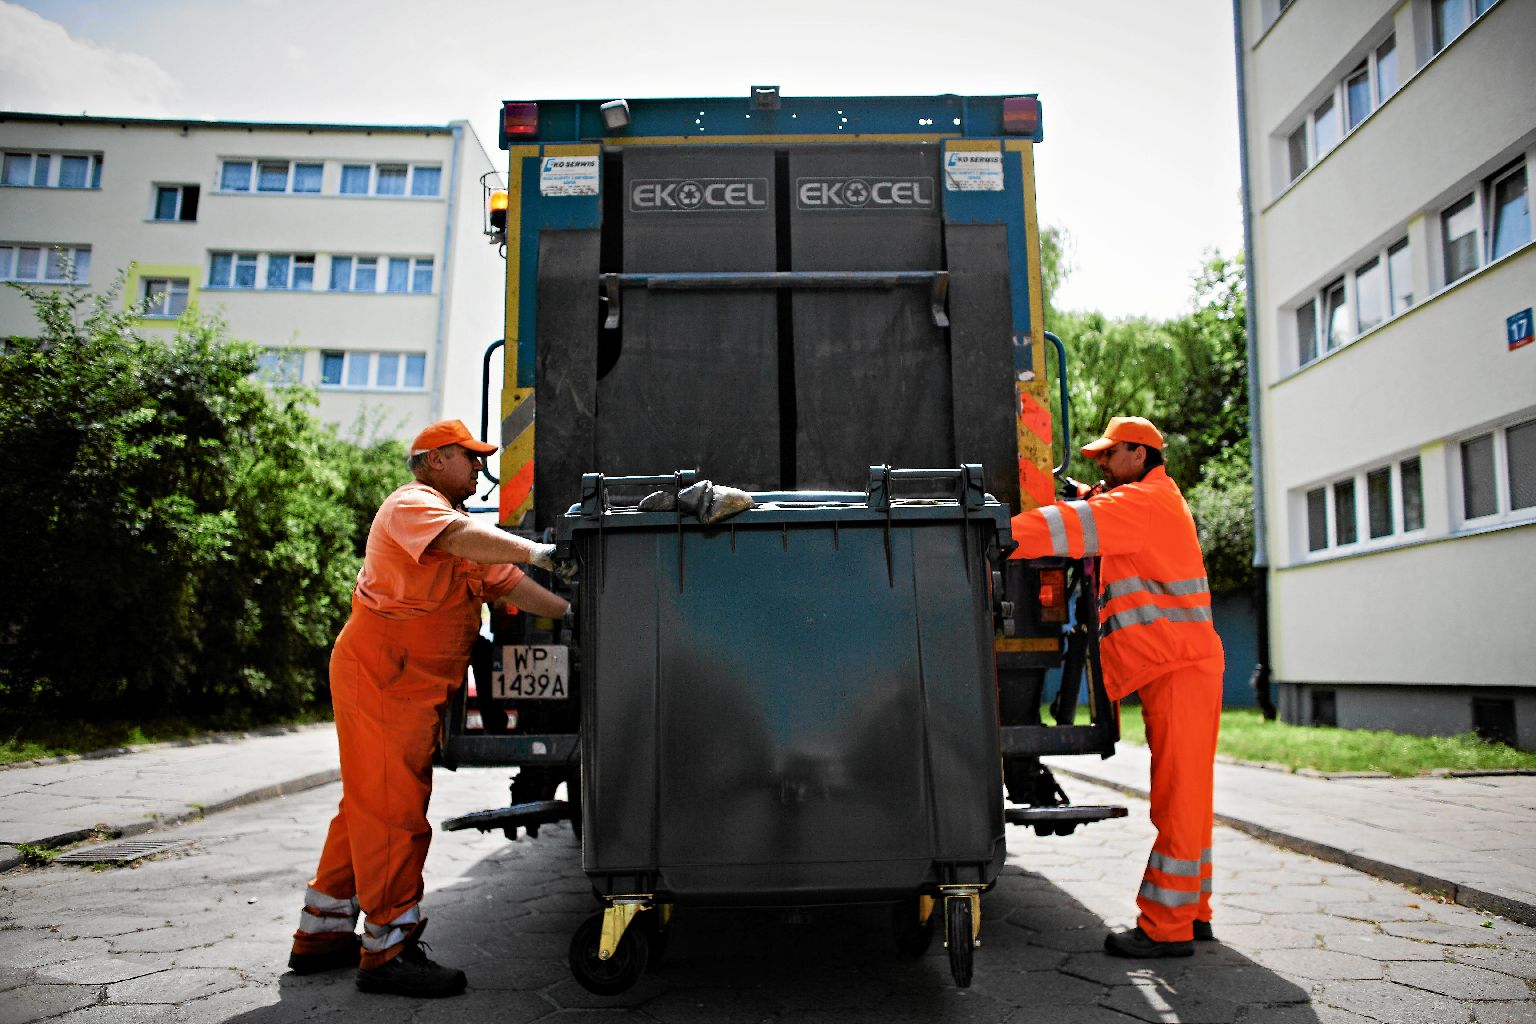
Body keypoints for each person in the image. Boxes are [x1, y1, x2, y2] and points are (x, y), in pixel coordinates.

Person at [287, 419, 570, 997]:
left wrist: (571, 611)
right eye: (471, 457)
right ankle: (387, 952)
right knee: (394, 811)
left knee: (369, 804)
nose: (481, 468)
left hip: (403, 684)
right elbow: (462, 540)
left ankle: (322, 932)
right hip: (384, 678)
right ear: (436, 459)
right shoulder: (414, 505)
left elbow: (509, 584)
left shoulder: (459, 529)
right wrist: (540, 551)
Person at [1009, 416, 1225, 959]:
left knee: (1177, 800)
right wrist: (1091, 494)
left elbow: (1070, 527)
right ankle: (1192, 912)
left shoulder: (1142, 504)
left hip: (1176, 668)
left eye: (1110, 453)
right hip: (1181, 666)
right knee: (1188, 797)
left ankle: (1167, 928)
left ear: (1140, 454)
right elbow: (1103, 511)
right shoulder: (1154, 499)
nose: (1102, 462)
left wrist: (997, 533)